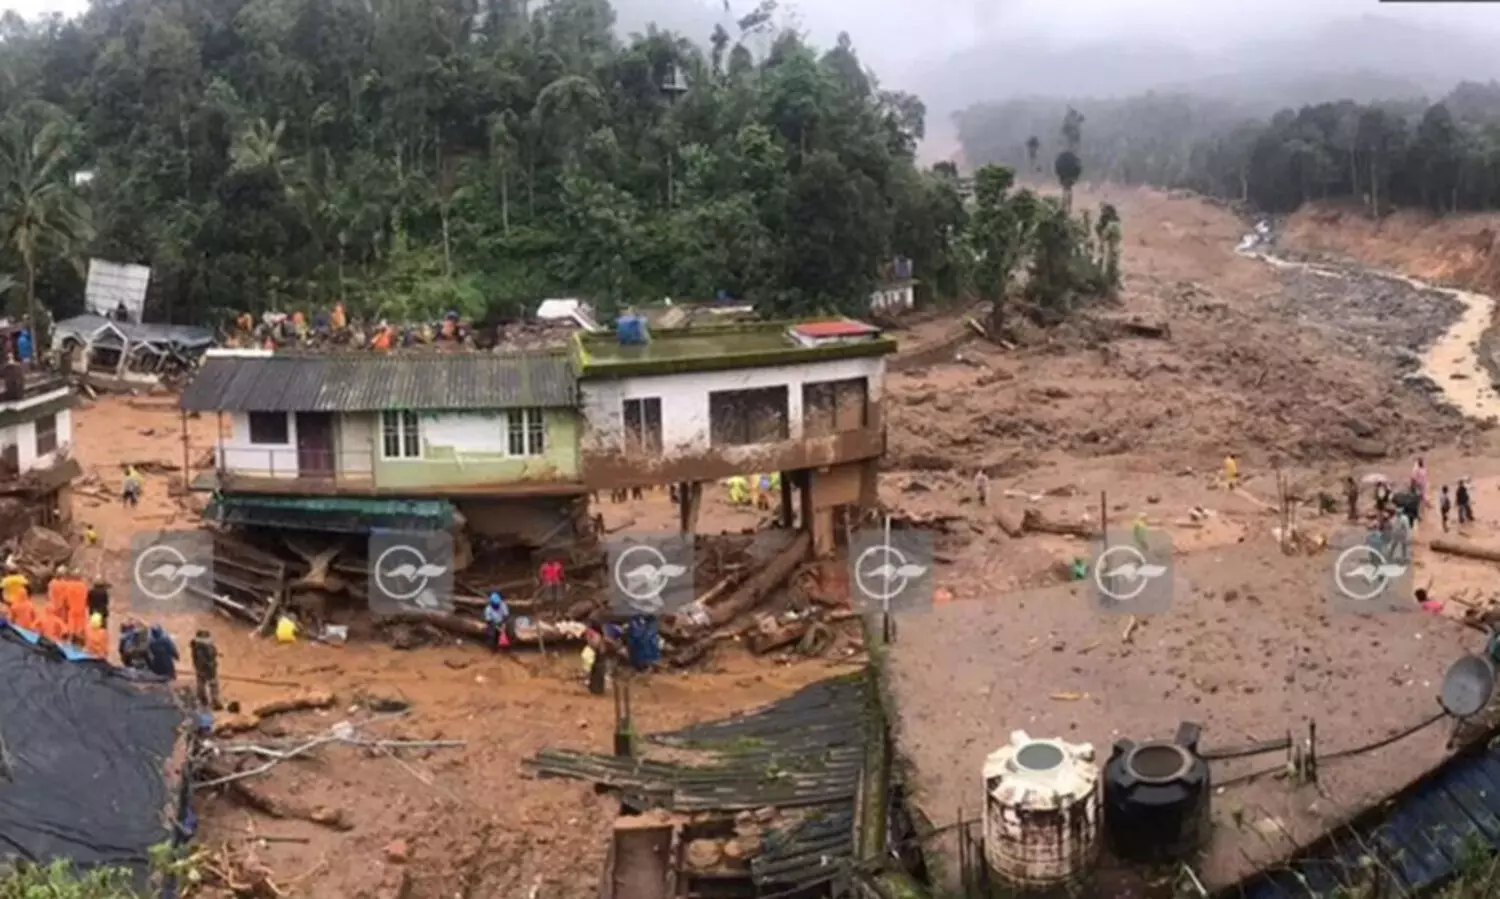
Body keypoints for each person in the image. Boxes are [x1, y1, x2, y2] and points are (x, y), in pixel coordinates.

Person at [190, 629, 222, 710]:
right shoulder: (207, 647)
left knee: (200, 683)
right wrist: (211, 665)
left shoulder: (195, 646)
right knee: (213, 684)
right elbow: (210, 655)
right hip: (209, 669)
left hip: (199, 668)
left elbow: (195, 658)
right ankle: (215, 701)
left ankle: (202, 699)